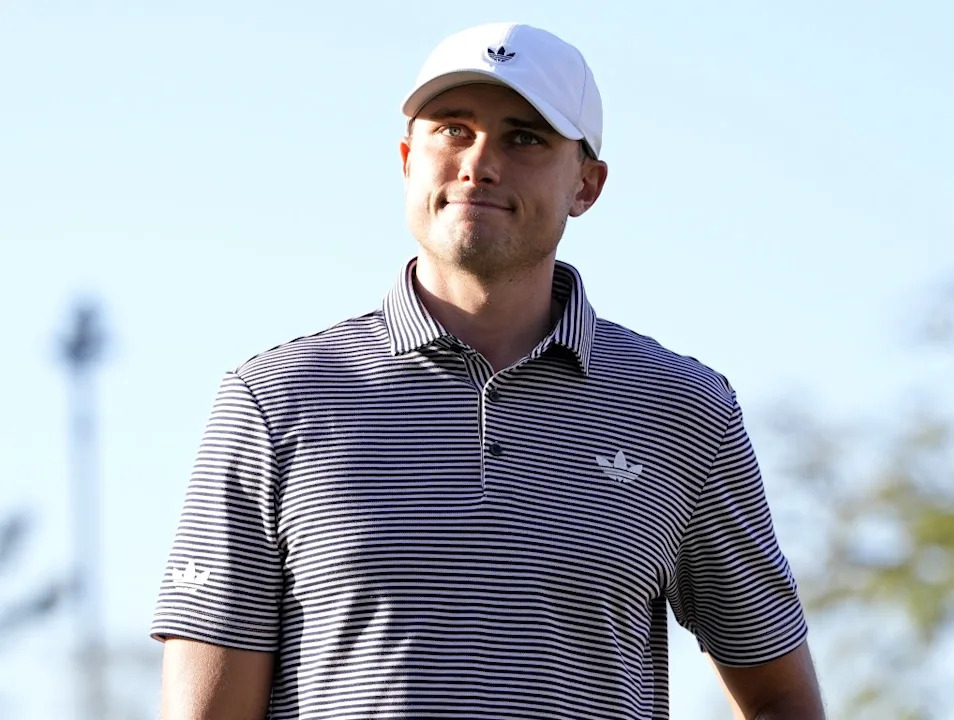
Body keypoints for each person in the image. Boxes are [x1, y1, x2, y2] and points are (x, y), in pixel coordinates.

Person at [152, 22, 826, 720]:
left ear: (587, 185)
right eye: (452, 129)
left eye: (524, 138)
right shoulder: (274, 399)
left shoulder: (682, 408)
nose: (479, 163)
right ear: (408, 158)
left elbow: (779, 697)